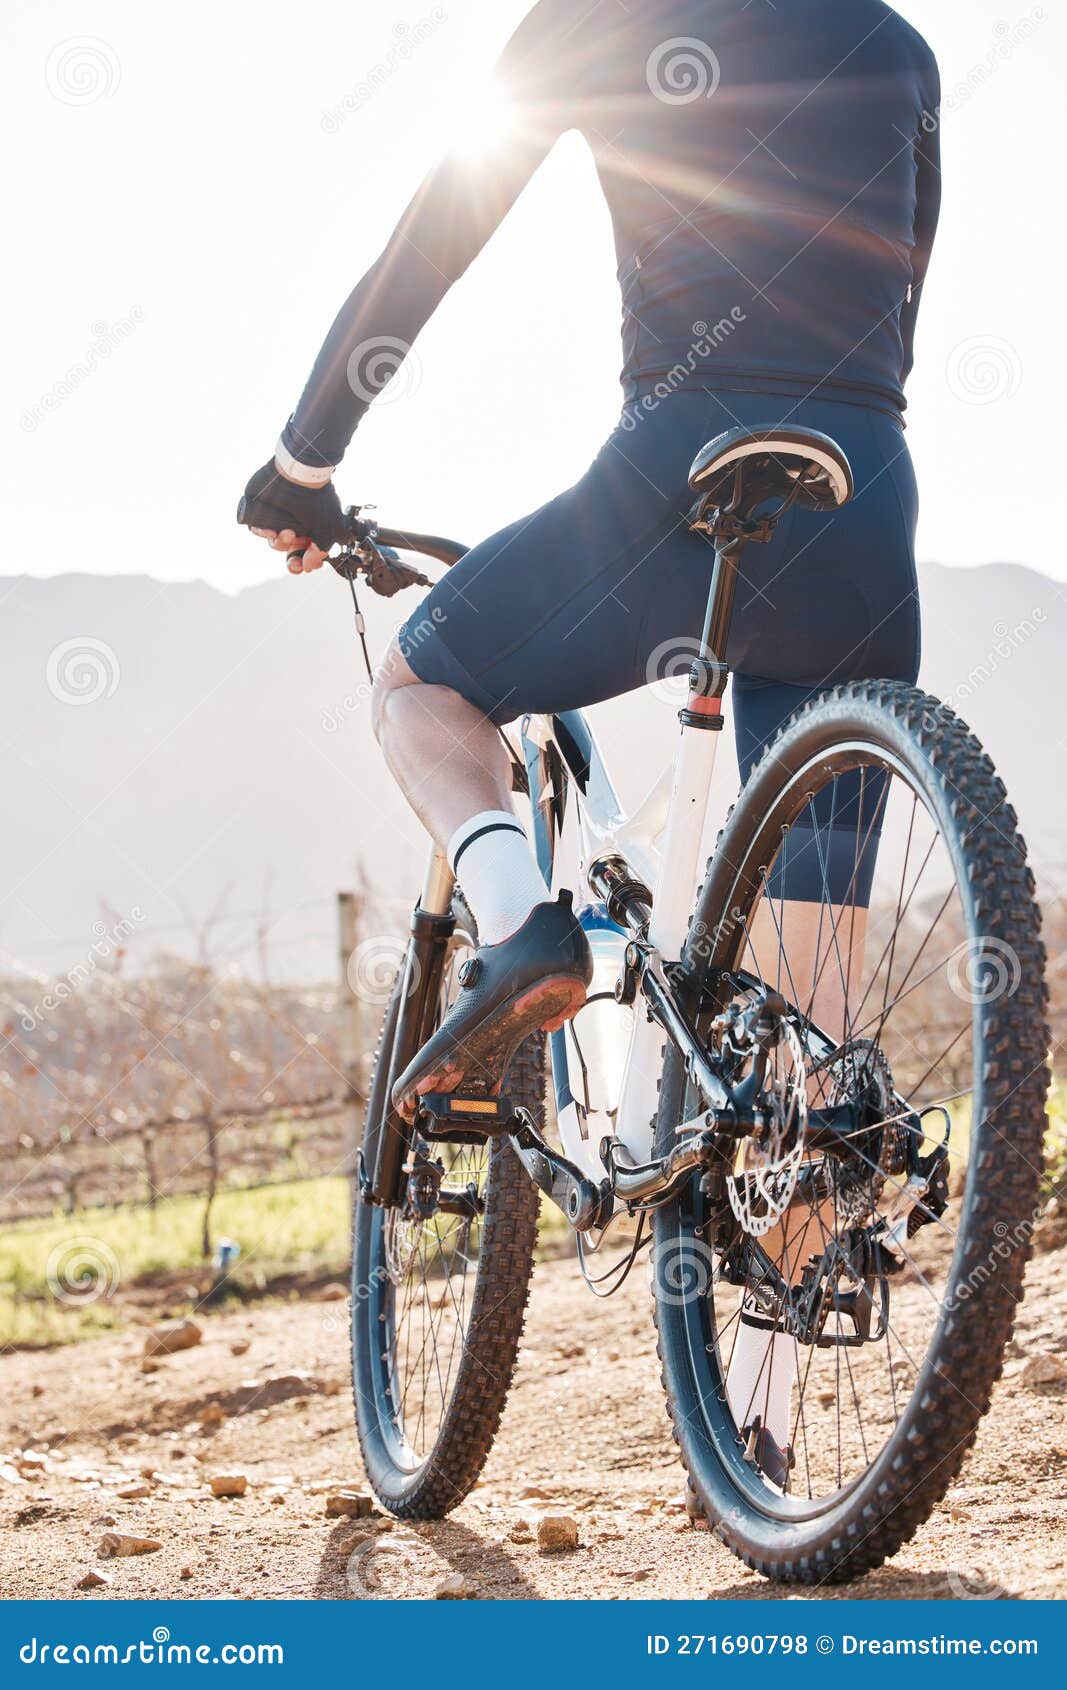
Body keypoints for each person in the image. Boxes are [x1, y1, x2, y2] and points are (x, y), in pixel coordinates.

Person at [238, 0, 940, 1469]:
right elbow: (897, 301)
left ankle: (519, 934)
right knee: (806, 1047)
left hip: (672, 476)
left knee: (425, 687)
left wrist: (304, 459)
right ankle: (759, 1427)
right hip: (865, 499)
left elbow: (442, 226)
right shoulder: (900, 44)